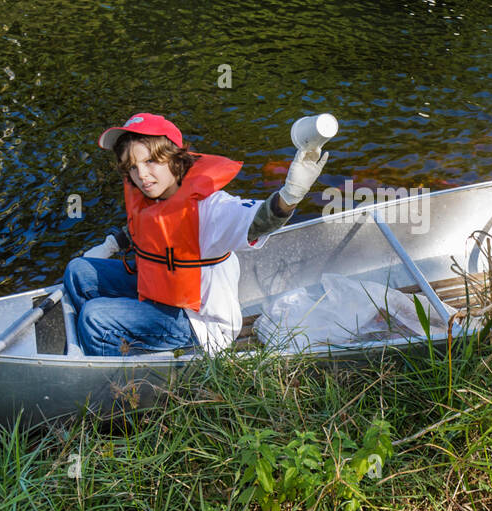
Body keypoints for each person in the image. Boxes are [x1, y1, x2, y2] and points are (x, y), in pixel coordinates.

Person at [62, 112, 329, 356]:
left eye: (151, 161)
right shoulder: (151, 194)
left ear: (175, 158)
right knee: (79, 272)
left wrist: (291, 194)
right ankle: (103, 347)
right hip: (160, 293)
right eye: (132, 166)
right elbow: (142, 229)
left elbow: (260, 222)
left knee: (94, 317)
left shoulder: (211, 209)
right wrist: (110, 245)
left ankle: (112, 389)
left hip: (200, 322)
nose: (142, 175)